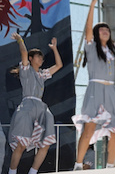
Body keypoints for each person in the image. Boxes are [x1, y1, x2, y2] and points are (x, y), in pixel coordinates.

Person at [72, 0, 115, 170]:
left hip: (111, 93)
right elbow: (88, 29)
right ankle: (78, 164)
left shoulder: (113, 49)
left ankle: (110, 169)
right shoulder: (91, 47)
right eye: (101, 29)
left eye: (107, 29)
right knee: (88, 130)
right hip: (95, 91)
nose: (105, 31)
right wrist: (93, 4)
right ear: (96, 33)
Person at [7, 34, 62, 174]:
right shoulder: (26, 71)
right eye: (37, 56)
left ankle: (33, 172)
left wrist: (55, 49)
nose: (41, 59)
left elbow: (59, 65)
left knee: (47, 142)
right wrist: (20, 39)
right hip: (27, 107)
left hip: (41, 108)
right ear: (31, 59)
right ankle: (12, 172)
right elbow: (24, 52)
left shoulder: (42, 74)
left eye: (42, 57)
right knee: (21, 145)